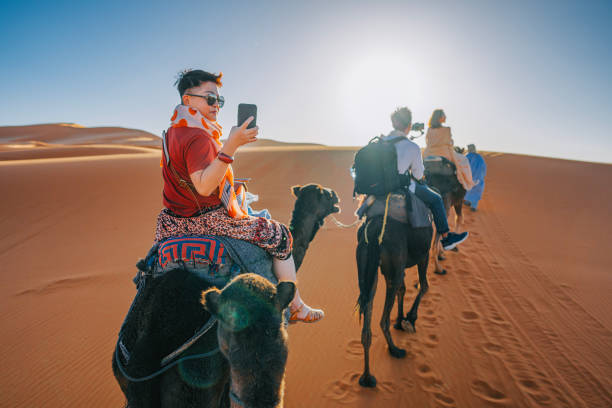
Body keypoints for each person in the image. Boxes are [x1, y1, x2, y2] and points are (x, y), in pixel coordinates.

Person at [154, 69, 323, 323]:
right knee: (280, 237)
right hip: (207, 220)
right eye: (210, 99)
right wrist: (231, 146)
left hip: (175, 220)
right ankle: (295, 305)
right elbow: (202, 186)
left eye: (219, 101)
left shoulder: (172, 133)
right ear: (187, 100)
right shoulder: (198, 136)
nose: (216, 106)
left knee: (257, 214)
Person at [380, 107, 468, 250]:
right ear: (409, 126)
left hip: (378, 187)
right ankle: (446, 238)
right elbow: (418, 176)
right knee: (436, 199)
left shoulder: (380, 142)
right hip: (402, 187)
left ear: (393, 123)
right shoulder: (412, 147)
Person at [423, 109, 476, 191]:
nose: (445, 117)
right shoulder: (447, 129)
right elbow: (449, 144)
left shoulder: (429, 129)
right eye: (444, 115)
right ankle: (469, 182)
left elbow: (428, 142)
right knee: (464, 159)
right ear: (440, 117)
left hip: (429, 154)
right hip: (444, 153)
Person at [464, 144, 487, 211]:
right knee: (476, 192)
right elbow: (484, 168)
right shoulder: (480, 157)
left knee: (468, 190)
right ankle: (473, 206)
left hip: (469, 177)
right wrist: (481, 177)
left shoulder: (468, 156)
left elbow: (464, 166)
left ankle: (468, 202)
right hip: (479, 179)